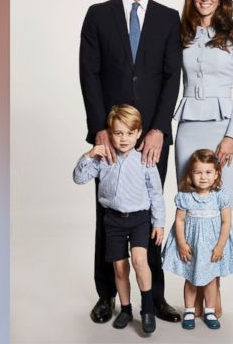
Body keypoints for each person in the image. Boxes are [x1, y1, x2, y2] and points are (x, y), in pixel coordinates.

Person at [79, 0, 183, 324]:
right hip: (112, 137)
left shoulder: (169, 19)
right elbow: (88, 74)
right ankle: (107, 294)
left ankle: (153, 299)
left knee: (151, 216)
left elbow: (173, 77)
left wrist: (158, 129)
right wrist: (99, 131)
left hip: (151, 140)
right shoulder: (98, 15)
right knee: (107, 216)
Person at [173, 0, 233, 317]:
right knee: (192, 212)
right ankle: (193, 294)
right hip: (188, 126)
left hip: (223, 129)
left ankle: (214, 291)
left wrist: (231, 136)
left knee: (218, 211)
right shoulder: (182, 33)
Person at [73, 105, 167, 333]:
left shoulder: (145, 160)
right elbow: (79, 178)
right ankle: (126, 309)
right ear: (110, 133)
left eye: (129, 133)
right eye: (118, 133)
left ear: (138, 133)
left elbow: (156, 194)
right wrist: (89, 155)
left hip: (139, 219)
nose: (124, 139)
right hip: (113, 220)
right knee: (120, 268)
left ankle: (147, 309)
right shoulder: (104, 159)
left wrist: (159, 223)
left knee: (139, 261)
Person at [162, 149, 233, 330]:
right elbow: (179, 220)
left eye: (208, 172)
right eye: (198, 172)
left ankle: (209, 310)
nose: (203, 177)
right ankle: (190, 310)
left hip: (212, 248)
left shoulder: (220, 197)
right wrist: (182, 244)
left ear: (216, 175)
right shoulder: (185, 197)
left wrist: (220, 246)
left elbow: (226, 222)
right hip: (192, 246)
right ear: (190, 175)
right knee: (190, 279)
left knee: (210, 280)